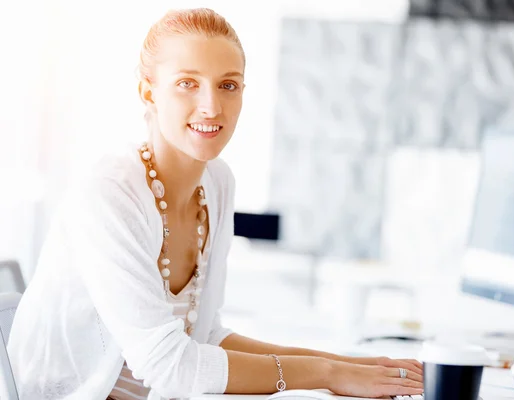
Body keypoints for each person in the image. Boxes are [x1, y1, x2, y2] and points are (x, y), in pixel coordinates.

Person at [7, 8, 424, 400]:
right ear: (147, 91)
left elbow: (204, 337)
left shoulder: (218, 183)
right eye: (187, 83)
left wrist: (350, 364)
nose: (211, 106)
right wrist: (328, 375)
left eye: (228, 85)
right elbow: (170, 365)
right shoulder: (110, 192)